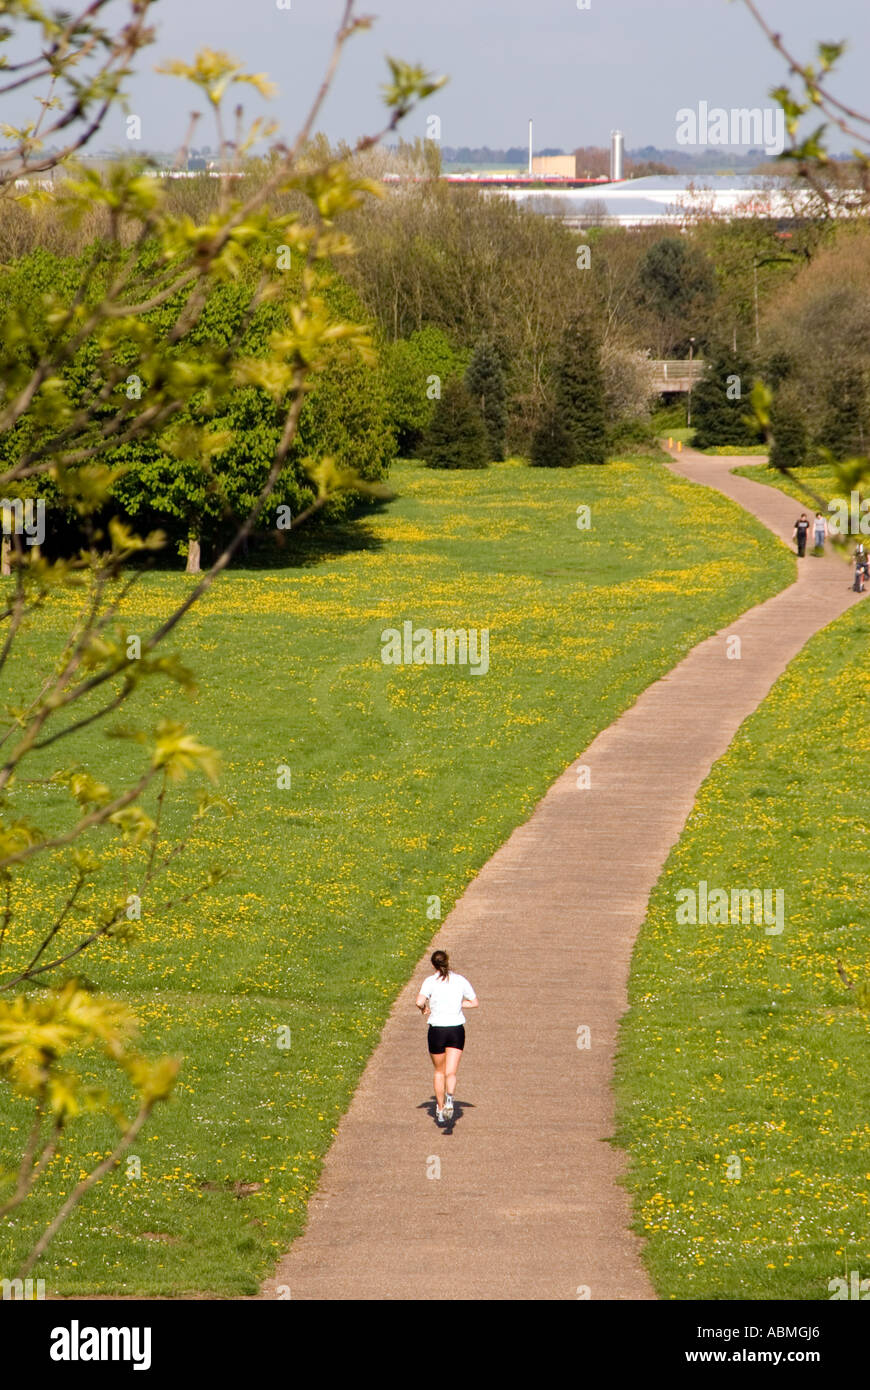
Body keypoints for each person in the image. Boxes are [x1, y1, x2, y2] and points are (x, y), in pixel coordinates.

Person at [415, 949, 478, 1124]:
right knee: (451, 1072)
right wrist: (458, 1004)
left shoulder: (430, 981)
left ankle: (441, 1109)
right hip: (456, 1030)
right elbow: (474, 1002)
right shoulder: (460, 980)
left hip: (437, 1030)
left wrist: (424, 1009)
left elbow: (419, 1001)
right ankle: (450, 1098)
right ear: (447, 961)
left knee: (439, 1072)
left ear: (433, 964)